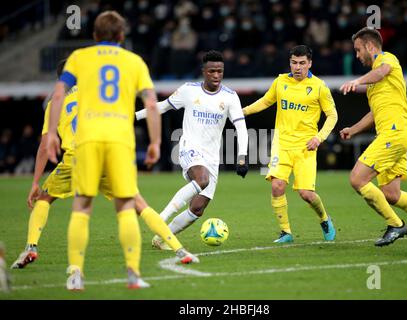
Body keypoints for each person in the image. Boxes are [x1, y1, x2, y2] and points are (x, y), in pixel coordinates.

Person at [11, 60, 198, 271]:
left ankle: (30, 247)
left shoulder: (55, 104)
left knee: (44, 198)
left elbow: (45, 147)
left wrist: (35, 182)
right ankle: (179, 249)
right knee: (139, 204)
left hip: (76, 159)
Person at [47, 11, 159, 291]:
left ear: (95, 36)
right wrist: (155, 142)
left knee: (82, 205)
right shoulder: (134, 61)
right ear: (122, 36)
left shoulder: (79, 58)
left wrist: (51, 133)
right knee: (125, 205)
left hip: (87, 138)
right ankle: (133, 274)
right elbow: (152, 102)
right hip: (120, 138)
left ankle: (75, 275)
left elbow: (59, 94)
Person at [339, 27, 407, 247]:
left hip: (394, 133)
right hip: (396, 134)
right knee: (391, 194)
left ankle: (396, 224)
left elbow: (381, 71)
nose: (357, 55)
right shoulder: (374, 84)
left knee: (357, 179)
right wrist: (354, 128)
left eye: (359, 50)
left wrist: (357, 81)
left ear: (370, 46)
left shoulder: (387, 59)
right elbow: (374, 113)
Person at [136, 50, 249, 250]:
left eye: (220, 71)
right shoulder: (189, 90)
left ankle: (163, 238)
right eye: (212, 71)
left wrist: (242, 157)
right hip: (189, 147)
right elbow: (161, 107)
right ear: (203, 71)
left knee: (197, 209)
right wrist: (134, 116)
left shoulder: (230, 97)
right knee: (201, 179)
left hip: (212, 157)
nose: (216, 75)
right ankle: (161, 217)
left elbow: (241, 128)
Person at [241, 45, 338, 244]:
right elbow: (265, 102)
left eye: (302, 63)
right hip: (282, 144)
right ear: (290, 63)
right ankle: (286, 232)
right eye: (294, 62)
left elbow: (332, 116)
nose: (297, 67)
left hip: (306, 147)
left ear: (310, 63)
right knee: (277, 186)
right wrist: (242, 112)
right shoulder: (281, 81)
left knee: (306, 194)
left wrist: (319, 138)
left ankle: (324, 219)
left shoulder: (319, 87)